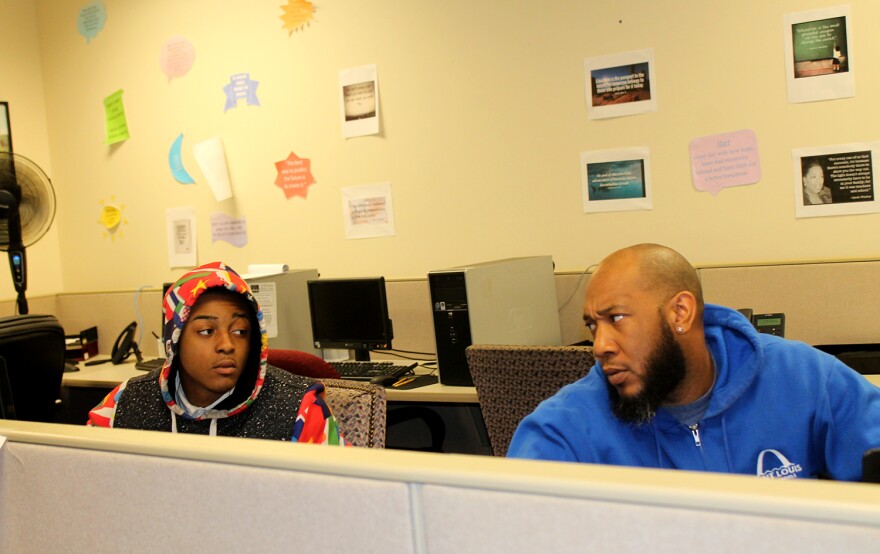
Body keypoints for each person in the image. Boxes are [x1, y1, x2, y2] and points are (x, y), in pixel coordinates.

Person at [507, 244, 880, 481]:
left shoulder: (804, 377)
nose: (600, 345)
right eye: (593, 326)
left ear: (680, 313)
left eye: (616, 319)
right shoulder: (567, 425)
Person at [88, 261, 347, 444]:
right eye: (206, 331)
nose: (227, 344)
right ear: (174, 339)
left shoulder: (300, 409)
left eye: (240, 331)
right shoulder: (123, 403)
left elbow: (341, 504)